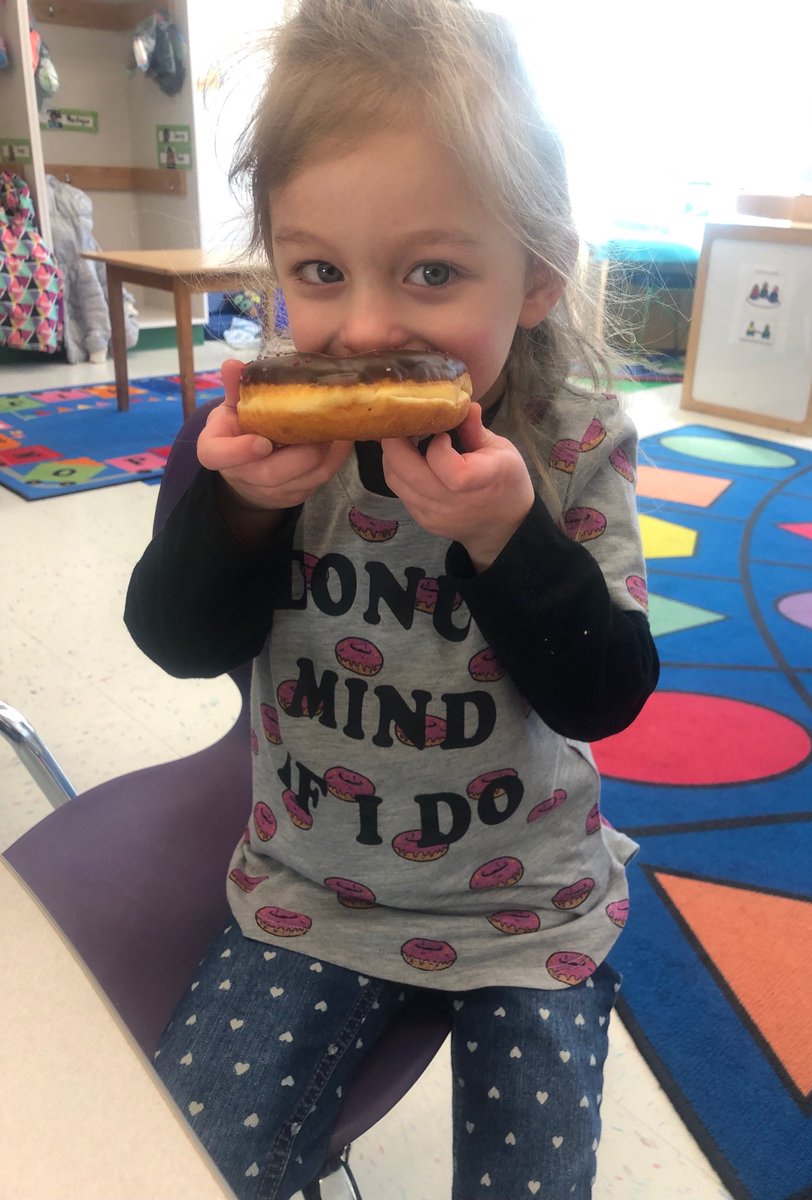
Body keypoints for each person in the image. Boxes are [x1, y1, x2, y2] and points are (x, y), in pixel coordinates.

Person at [124, 1, 659, 1195]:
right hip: (310, 886)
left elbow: (606, 693)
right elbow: (175, 638)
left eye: (431, 272)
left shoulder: (571, 439)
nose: (363, 326)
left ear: (536, 276)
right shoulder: (254, 436)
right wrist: (239, 511)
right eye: (319, 271)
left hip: (528, 900)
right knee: (188, 1165)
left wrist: (508, 538)